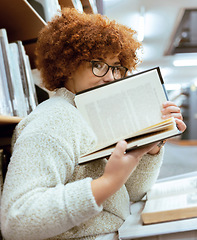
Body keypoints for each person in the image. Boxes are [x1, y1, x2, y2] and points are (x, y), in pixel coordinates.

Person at [1, 8, 186, 240]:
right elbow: (17, 221)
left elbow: (131, 195)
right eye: (98, 64)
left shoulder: (91, 114)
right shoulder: (53, 119)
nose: (110, 77)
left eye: (117, 68)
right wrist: (107, 182)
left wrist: (148, 150)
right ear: (67, 65)